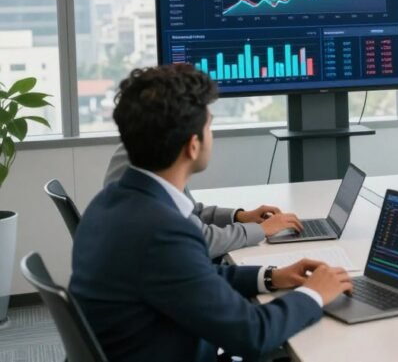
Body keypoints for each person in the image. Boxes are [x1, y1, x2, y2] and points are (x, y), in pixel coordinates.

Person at [71, 65, 353, 362]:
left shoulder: (107, 203)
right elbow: (252, 334)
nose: (211, 135)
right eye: (209, 126)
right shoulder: (162, 231)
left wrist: (271, 276)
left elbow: (194, 275)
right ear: (193, 146)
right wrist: (314, 294)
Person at [105, 144, 303, 258]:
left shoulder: (148, 152)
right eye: (206, 126)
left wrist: (240, 216)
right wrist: (261, 230)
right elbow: (201, 240)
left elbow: (191, 211)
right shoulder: (148, 163)